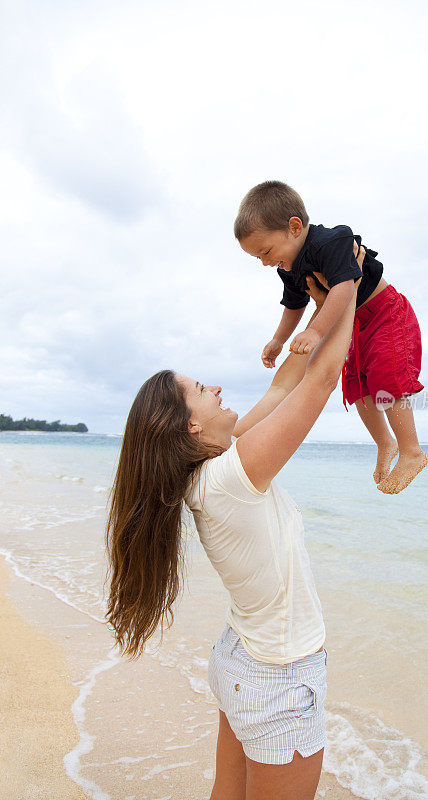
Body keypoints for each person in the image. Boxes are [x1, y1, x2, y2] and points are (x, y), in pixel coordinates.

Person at [105, 280, 356, 800]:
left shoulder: (217, 468)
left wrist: (317, 311)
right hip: (278, 677)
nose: (216, 388)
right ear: (192, 426)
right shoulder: (230, 477)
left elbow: (284, 389)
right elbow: (322, 381)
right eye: (202, 389)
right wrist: (349, 285)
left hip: (244, 660)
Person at [235, 180, 428, 494]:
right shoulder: (288, 268)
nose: (266, 263)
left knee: (385, 376)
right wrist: (278, 340)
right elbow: (294, 304)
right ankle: (385, 443)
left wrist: (315, 331)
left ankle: (412, 451)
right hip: (351, 324)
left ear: (294, 227)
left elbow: (343, 288)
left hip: (384, 313)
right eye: (258, 258)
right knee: (356, 387)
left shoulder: (332, 241)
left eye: (266, 252)